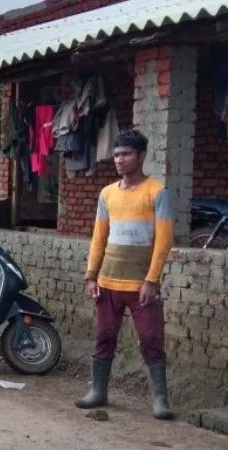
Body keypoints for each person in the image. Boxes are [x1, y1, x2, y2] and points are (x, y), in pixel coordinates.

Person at [75, 129, 174, 420]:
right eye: (117, 154)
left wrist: (152, 280)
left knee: (151, 339)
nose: (119, 159)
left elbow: (164, 240)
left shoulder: (157, 192)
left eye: (126, 154)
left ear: (141, 156)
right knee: (104, 336)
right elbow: (99, 237)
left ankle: (160, 399)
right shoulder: (107, 194)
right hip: (107, 282)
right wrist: (91, 275)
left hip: (142, 285)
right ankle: (98, 391)